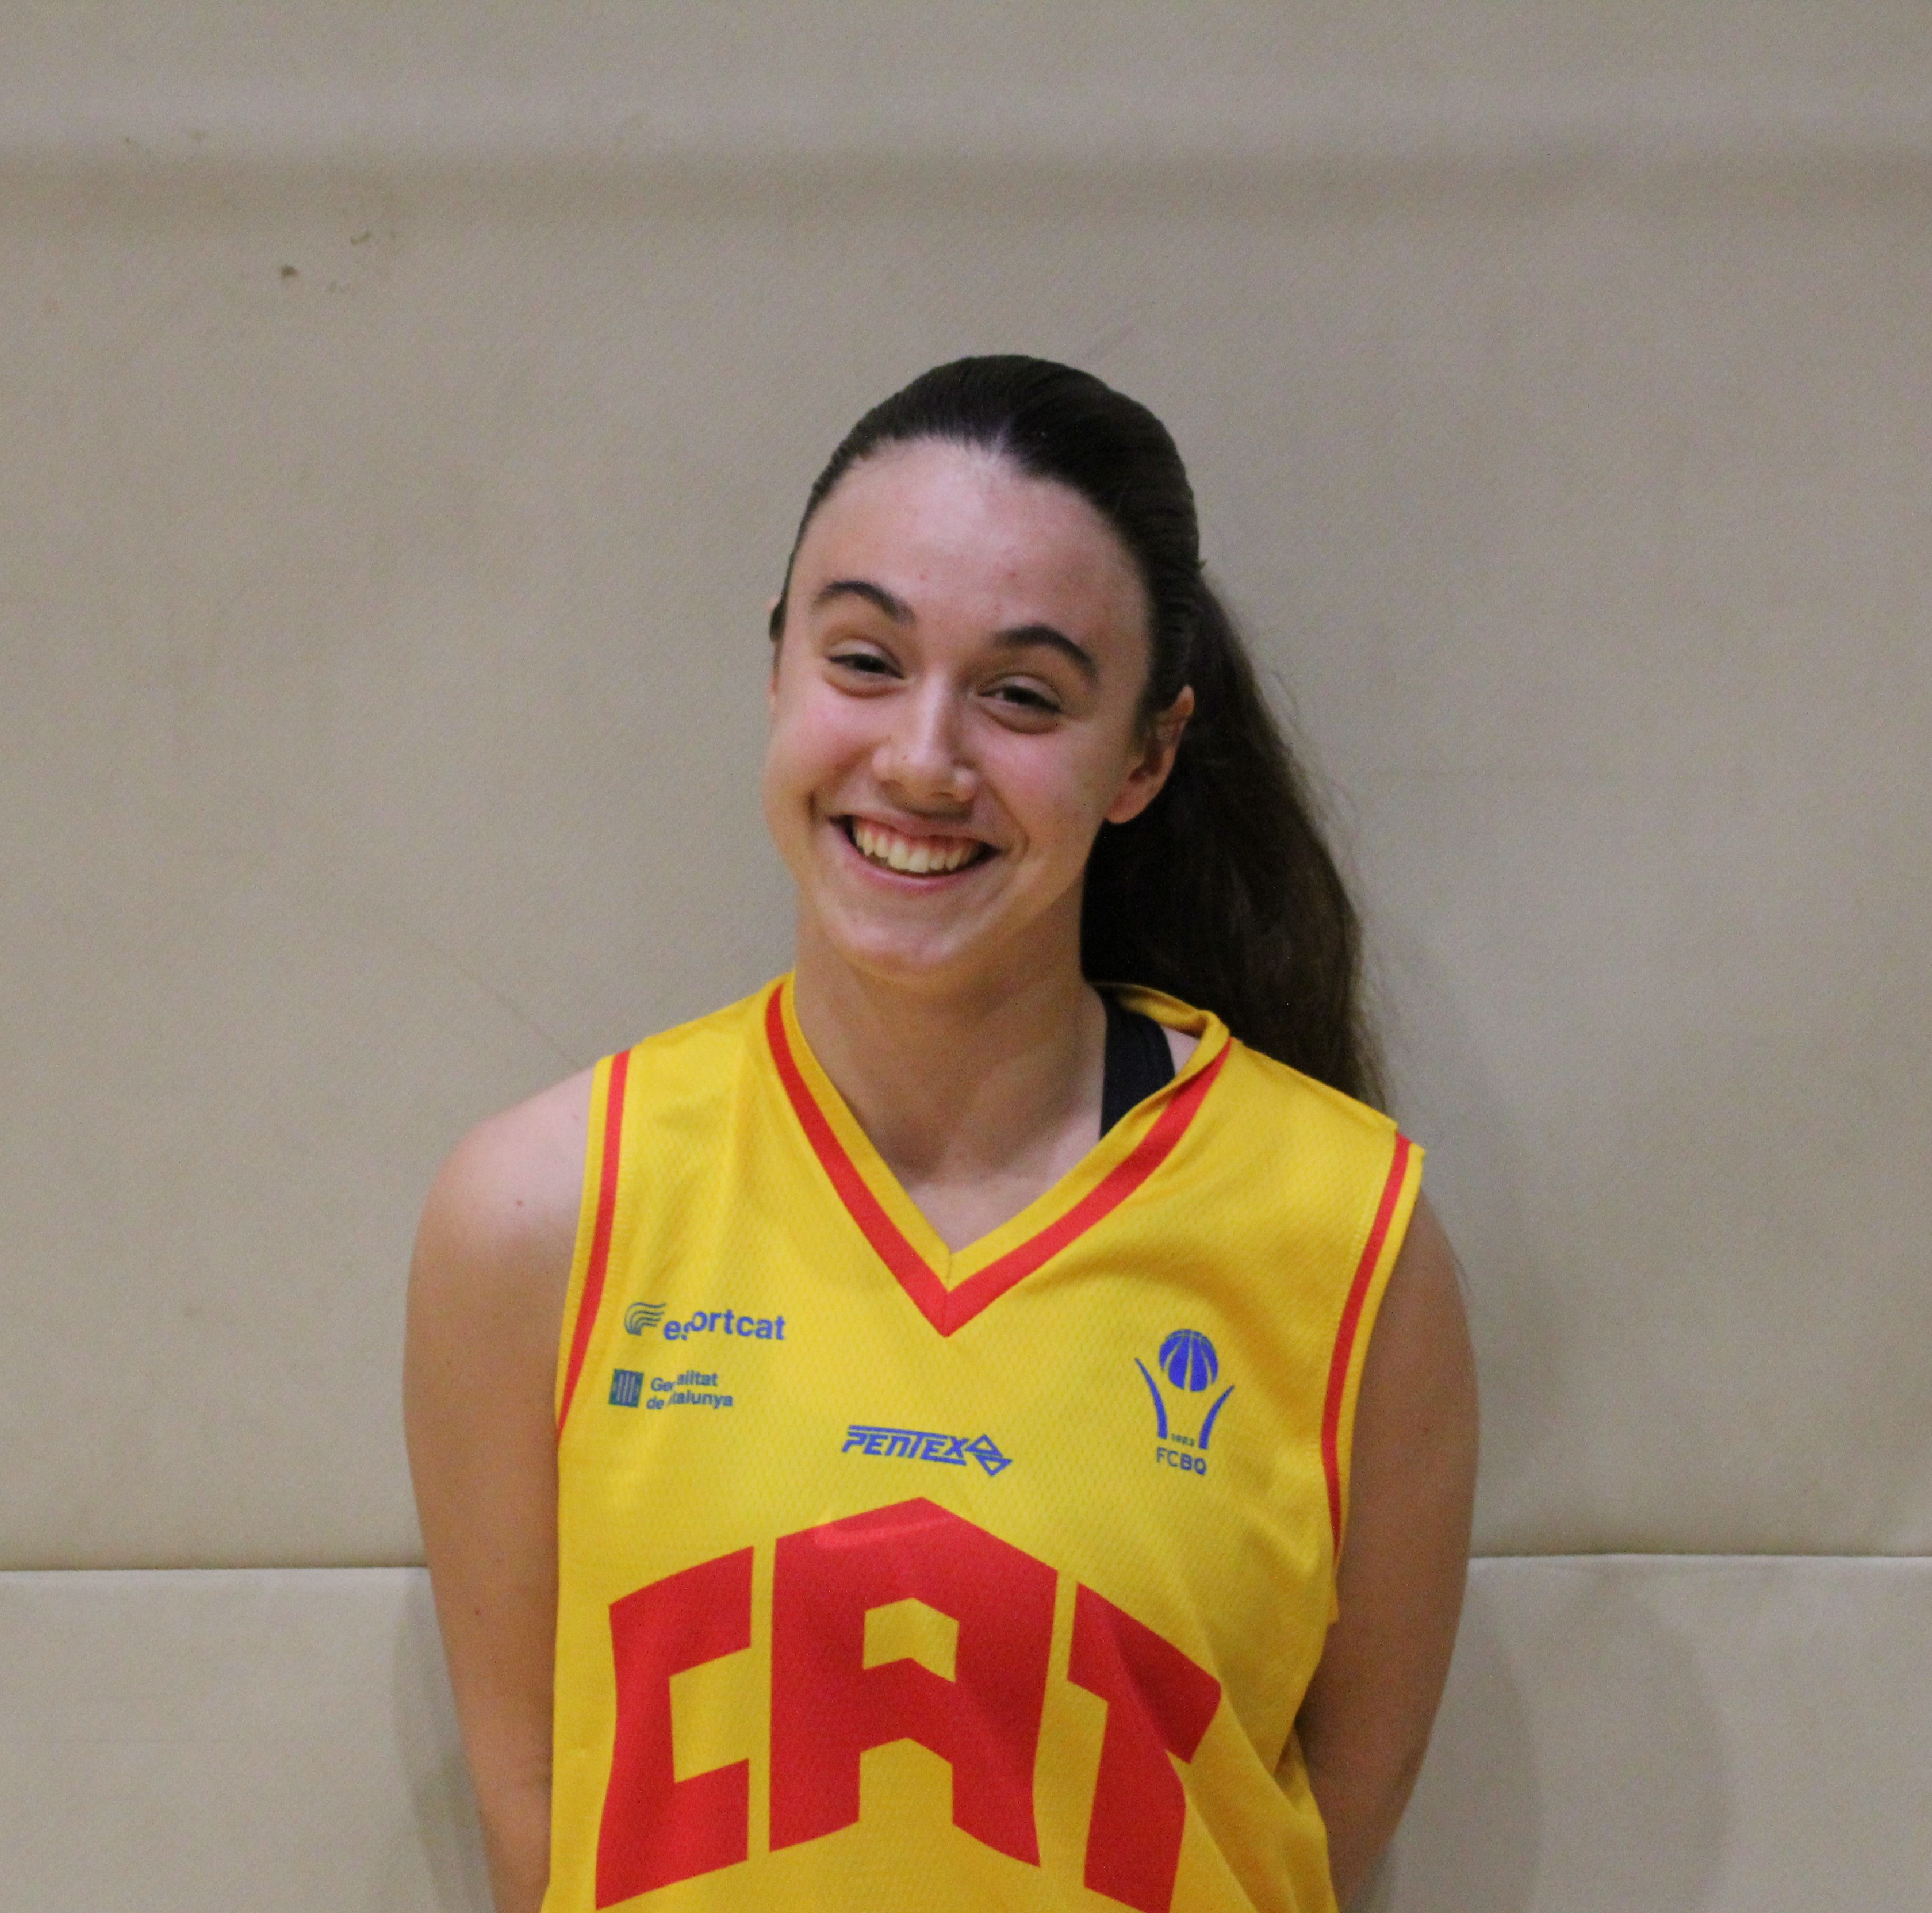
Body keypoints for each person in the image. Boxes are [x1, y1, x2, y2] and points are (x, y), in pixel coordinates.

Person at [405, 355, 1478, 1913]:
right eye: (864, 659)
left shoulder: (1352, 1240)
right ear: (779, 670)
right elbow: (540, 1825)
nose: (921, 758)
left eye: (1022, 695)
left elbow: (1314, 1831)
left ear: (1146, 756)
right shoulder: (536, 1215)